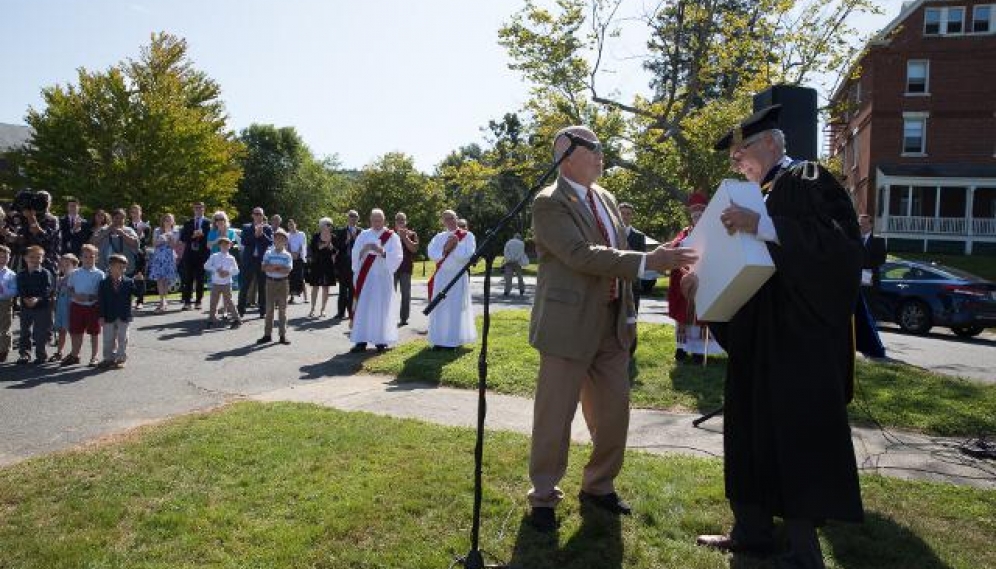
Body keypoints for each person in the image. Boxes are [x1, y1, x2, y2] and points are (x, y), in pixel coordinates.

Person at [689, 105, 864, 569]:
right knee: (747, 432)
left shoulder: (805, 178)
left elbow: (839, 248)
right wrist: (700, 281)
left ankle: (804, 552)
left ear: (770, 142)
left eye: (739, 151)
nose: (735, 162)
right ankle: (751, 533)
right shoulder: (750, 195)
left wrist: (763, 224)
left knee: (797, 437)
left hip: (800, 344)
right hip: (757, 338)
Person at [526, 126, 697, 532]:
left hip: (612, 325)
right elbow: (580, 254)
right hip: (567, 327)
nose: (604, 154)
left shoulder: (604, 198)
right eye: (595, 148)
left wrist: (632, 314)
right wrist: (649, 261)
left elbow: (617, 257)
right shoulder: (549, 202)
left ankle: (598, 486)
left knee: (614, 412)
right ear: (566, 154)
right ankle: (544, 498)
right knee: (555, 417)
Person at [666, 192, 724, 363]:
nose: (697, 217)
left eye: (701, 214)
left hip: (704, 279)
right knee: (684, 315)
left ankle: (699, 351)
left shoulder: (713, 233)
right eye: (694, 214)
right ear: (691, 216)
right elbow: (674, 247)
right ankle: (682, 349)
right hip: (684, 278)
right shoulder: (685, 233)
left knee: (701, 315)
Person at [348, 209, 402, 353]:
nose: (377, 222)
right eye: (374, 220)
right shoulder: (364, 235)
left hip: (383, 278)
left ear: (384, 220)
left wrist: (382, 252)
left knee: (382, 308)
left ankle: (381, 340)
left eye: (379, 220)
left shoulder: (392, 237)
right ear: (370, 220)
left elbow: (397, 257)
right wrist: (365, 250)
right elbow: (355, 255)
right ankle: (361, 341)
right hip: (366, 278)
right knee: (363, 307)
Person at [427, 210, 477, 349]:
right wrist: (446, 249)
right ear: (443, 222)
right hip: (441, 276)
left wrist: (457, 244)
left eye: (452, 218)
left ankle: (453, 341)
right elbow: (432, 253)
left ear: (457, 218)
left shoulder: (467, 236)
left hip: (457, 276)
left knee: (455, 309)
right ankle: (439, 340)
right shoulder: (438, 237)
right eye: (446, 219)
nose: (450, 221)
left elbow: (468, 255)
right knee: (440, 308)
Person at [62, 244, 104, 367]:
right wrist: (75, 296)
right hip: (76, 306)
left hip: (93, 307)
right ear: (81, 258)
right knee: (76, 332)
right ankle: (75, 354)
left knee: (94, 333)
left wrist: (91, 297)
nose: (88, 259)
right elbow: (69, 288)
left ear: (96, 258)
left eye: (92, 257)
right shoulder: (75, 273)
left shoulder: (100, 274)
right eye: (85, 257)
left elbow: (101, 293)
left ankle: (94, 357)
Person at [16, 245, 55, 365]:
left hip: (42, 307)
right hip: (26, 306)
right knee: (24, 331)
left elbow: (47, 289)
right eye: (31, 257)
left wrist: (37, 299)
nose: (35, 260)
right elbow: (21, 288)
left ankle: (41, 354)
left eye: (38, 257)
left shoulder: (45, 273)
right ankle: (24, 354)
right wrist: (25, 299)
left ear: (42, 258)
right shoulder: (21, 274)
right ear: (25, 259)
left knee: (40, 332)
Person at [855, 213, 886, 359]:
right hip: (855, 281)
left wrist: (864, 265)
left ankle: (874, 345)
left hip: (870, 282)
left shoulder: (878, 242)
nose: (862, 226)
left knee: (869, 314)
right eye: (860, 223)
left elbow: (880, 259)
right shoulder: (854, 239)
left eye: (865, 224)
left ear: (871, 225)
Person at [97, 254, 136, 370]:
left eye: (124, 267)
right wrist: (101, 316)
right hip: (108, 315)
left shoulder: (129, 281)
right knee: (108, 338)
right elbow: (101, 301)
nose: (123, 270)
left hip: (124, 315)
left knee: (123, 338)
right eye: (120, 267)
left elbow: (138, 293)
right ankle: (108, 358)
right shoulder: (103, 283)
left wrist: (139, 282)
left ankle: (120, 358)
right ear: (111, 267)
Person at [257, 228, 293, 345]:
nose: (279, 240)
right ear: (274, 239)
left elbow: (287, 270)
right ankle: (267, 335)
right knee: (269, 309)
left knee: (282, 310)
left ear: (285, 241)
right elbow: (263, 268)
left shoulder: (287, 255)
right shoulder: (268, 253)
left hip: (283, 283)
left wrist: (273, 266)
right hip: (270, 282)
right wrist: (278, 267)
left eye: (282, 239)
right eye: (277, 238)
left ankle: (282, 335)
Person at [15, 191, 60, 275]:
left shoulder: (52, 219)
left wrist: (31, 217)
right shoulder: (25, 217)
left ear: (50, 203)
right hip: (28, 264)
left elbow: (43, 237)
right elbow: (22, 237)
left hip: (48, 262)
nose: (42, 203)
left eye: (45, 200)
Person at [238, 207, 272, 319]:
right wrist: (255, 235)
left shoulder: (267, 228)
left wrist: (261, 234)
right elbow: (244, 241)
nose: (258, 216)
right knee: (245, 286)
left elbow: (270, 243)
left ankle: (263, 310)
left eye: (260, 214)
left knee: (263, 287)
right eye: (256, 214)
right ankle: (240, 310)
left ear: (263, 216)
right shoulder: (246, 227)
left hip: (262, 261)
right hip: (249, 261)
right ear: (252, 215)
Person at [206, 211, 240, 320]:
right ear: (214, 222)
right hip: (215, 260)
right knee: (215, 287)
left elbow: (231, 243)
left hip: (227, 261)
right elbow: (208, 245)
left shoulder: (230, 231)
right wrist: (217, 239)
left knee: (226, 288)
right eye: (217, 219)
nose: (220, 222)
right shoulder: (212, 232)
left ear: (225, 221)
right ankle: (213, 313)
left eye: (222, 219)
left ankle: (225, 310)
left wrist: (224, 234)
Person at [203, 236, 241, 329]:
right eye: (222, 244)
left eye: (226, 244)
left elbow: (237, 270)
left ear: (230, 246)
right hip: (216, 282)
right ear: (219, 245)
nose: (224, 246)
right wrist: (216, 270)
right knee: (213, 301)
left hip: (227, 283)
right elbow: (206, 266)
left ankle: (237, 319)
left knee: (229, 301)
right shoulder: (214, 256)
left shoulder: (231, 258)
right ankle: (211, 319)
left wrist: (228, 272)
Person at [179, 202, 211, 311]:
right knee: (188, 278)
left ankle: (198, 301)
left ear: (204, 209)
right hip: (189, 254)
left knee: (200, 278)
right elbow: (183, 238)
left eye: (200, 208)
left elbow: (210, 238)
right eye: (196, 208)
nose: (198, 210)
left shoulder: (208, 223)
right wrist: (193, 235)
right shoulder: (188, 222)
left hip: (202, 254)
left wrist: (202, 235)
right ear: (193, 209)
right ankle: (187, 301)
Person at [148, 214, 179, 313]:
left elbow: (174, 246)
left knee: (166, 280)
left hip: (169, 257)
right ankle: (162, 301)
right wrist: (161, 239)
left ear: (173, 221)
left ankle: (164, 300)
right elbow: (154, 244)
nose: (167, 221)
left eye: (170, 220)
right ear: (163, 221)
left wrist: (170, 239)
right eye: (166, 220)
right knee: (159, 279)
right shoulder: (157, 230)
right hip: (159, 257)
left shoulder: (175, 231)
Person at [50, 253, 79, 362]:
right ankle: (59, 352)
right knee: (62, 330)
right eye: (62, 265)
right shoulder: (60, 279)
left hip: (71, 307)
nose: (64, 267)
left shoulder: (76, 277)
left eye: (67, 265)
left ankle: (74, 352)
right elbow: (57, 293)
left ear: (74, 265)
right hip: (61, 307)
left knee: (73, 331)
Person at [307, 217, 338, 318]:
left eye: (330, 225)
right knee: (315, 287)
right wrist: (325, 245)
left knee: (326, 287)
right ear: (322, 226)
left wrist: (331, 247)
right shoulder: (316, 236)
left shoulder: (333, 237)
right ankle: (312, 308)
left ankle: (323, 309)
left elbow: (336, 251)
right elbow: (314, 248)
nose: (330, 226)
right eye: (327, 224)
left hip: (328, 264)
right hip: (317, 263)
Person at [334, 210, 361, 320]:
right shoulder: (340, 231)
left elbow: (362, 247)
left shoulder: (361, 232)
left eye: (355, 216)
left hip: (355, 265)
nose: (353, 218)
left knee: (352, 290)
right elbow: (337, 246)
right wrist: (347, 240)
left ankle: (351, 312)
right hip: (343, 265)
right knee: (342, 290)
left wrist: (355, 240)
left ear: (357, 218)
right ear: (347, 218)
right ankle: (340, 313)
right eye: (351, 216)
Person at [393, 212, 419, 326]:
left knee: (405, 294)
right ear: (395, 222)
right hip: (392, 268)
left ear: (406, 221)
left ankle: (404, 318)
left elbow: (414, 249)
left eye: (402, 220)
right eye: (398, 220)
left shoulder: (412, 234)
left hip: (406, 268)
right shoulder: (390, 234)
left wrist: (405, 237)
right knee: (390, 294)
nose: (400, 222)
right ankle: (389, 317)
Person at [127, 204, 151, 309]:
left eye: (137, 211)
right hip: (129, 255)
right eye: (133, 212)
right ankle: (129, 298)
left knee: (140, 277)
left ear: (141, 213)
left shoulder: (146, 226)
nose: (135, 214)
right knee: (128, 276)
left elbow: (146, 242)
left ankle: (140, 300)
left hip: (141, 254)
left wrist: (140, 235)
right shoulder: (127, 226)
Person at [0, 245, 17, 363]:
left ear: (9, 258)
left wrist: (4, 292)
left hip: (5, 302)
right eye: (0, 256)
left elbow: (14, 290)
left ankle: (4, 350)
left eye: (5, 256)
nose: (2, 259)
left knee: (5, 327)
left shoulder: (11, 274)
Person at [286, 219, 308, 304]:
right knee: (290, 278)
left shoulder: (301, 234)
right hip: (290, 258)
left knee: (301, 278)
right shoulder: (287, 235)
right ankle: (291, 297)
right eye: (289, 225)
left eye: (292, 224)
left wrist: (297, 253)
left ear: (295, 224)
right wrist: (291, 253)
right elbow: (287, 245)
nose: (291, 226)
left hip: (299, 258)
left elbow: (303, 245)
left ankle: (306, 297)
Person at [502, 233, 529, 297]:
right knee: (519, 276)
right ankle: (521, 289)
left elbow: (505, 251)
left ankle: (507, 291)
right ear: (519, 237)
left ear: (514, 237)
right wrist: (516, 259)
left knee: (508, 277)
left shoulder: (508, 242)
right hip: (517, 262)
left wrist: (509, 259)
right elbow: (521, 253)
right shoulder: (521, 243)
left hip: (509, 262)